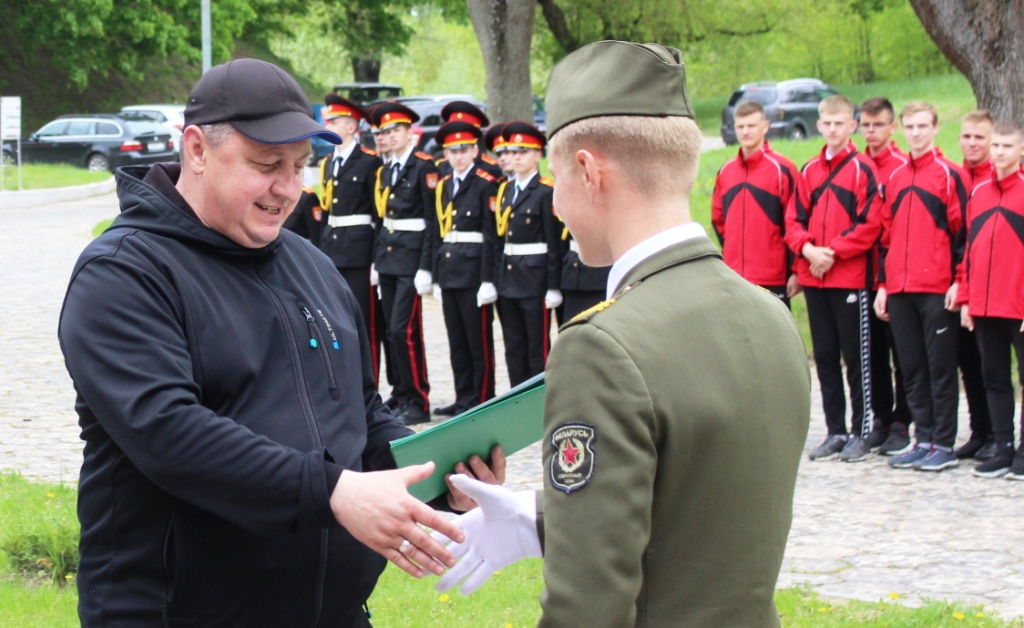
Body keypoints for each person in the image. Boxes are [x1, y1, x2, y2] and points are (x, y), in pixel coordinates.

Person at [57, 58, 503, 627]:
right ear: (196, 149)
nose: (288, 188)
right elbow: (168, 433)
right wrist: (334, 492)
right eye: (267, 164)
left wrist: (441, 474)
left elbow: (360, 413)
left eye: (299, 165)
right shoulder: (124, 273)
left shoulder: (312, 265)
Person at [433, 40, 811, 627]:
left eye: (558, 176)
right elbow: (699, 507)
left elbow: (587, 609)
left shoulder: (602, 347)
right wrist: (538, 518)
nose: (556, 203)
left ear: (588, 172)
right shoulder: (769, 313)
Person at [786, 94, 884, 463]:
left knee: (856, 359)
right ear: (818, 125)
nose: (832, 129)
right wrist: (808, 250)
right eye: (826, 123)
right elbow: (793, 221)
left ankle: (861, 432)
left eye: (839, 123)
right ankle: (836, 430)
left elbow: (870, 224)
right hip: (815, 277)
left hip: (849, 278)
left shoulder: (863, 170)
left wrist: (832, 252)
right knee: (825, 357)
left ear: (852, 126)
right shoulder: (809, 170)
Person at [875, 101, 968, 472]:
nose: (916, 133)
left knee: (940, 368)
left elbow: (963, 235)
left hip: (936, 287)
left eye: (922, 126)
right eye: (910, 126)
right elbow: (886, 235)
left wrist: (959, 281)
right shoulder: (896, 177)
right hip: (899, 288)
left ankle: (943, 444)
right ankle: (923, 439)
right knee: (911, 367)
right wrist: (884, 284)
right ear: (902, 129)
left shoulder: (949, 175)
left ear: (935, 128)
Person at [956, 120, 1024, 478]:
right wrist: (967, 298)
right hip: (985, 305)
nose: (998, 152)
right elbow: (970, 250)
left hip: (1019, 306)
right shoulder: (979, 192)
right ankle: (1003, 447)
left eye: (1006, 146)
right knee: (994, 377)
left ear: (1021, 151)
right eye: (995, 145)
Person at [371, 102, 438, 425]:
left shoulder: (423, 167)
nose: (390, 136)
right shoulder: (386, 170)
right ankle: (400, 393)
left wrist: (426, 266)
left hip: (411, 259)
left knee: (403, 330)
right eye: (385, 132)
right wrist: (377, 259)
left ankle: (418, 398)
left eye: (396, 130)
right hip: (388, 257)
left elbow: (432, 221)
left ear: (410, 132)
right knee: (390, 330)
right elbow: (383, 219)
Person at [317, 93, 388, 387]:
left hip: (360, 251)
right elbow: (326, 212)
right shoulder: (328, 163)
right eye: (328, 121)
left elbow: (379, 214)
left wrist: (376, 258)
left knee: (366, 323)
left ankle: (369, 386)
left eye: (335, 121)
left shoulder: (370, 162)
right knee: (335, 320)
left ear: (351, 127)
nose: (329, 125)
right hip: (333, 249)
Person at [430, 120, 499, 417]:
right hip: (449, 269)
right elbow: (438, 231)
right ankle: (463, 398)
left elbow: (490, 236)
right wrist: (435, 275)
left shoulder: (485, 183)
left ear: (474, 152)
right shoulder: (444, 184)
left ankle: (482, 399)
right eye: (452, 151)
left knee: (477, 342)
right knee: (457, 341)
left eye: (463, 150)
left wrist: (487, 279)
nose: (458, 156)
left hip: (473, 273)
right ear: (446, 154)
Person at [858, 96, 913, 455]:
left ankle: (902, 420)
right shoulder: (856, 166)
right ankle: (879, 417)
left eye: (878, 124)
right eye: (866, 124)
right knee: (872, 353)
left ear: (893, 127)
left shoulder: (901, 167)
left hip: (894, 272)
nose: (872, 131)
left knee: (902, 353)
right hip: (859, 273)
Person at [711, 99, 801, 307]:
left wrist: (796, 271)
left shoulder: (783, 169)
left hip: (773, 276)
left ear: (765, 126)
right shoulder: (726, 171)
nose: (745, 132)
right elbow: (718, 219)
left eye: (751, 126)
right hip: (735, 275)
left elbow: (795, 222)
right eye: (740, 126)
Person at [494, 120, 561, 386]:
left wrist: (553, 286)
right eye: (511, 152)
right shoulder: (506, 190)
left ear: (537, 155)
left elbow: (554, 243)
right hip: (509, 278)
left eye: (522, 152)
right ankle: (516, 399)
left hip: (535, 279)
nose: (515, 157)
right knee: (514, 347)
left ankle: (539, 401)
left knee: (537, 349)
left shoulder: (545, 191)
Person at [954, 109, 997, 461]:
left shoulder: (993, 180)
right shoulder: (956, 176)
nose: (972, 143)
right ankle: (979, 430)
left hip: (990, 288)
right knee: (968, 362)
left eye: (979, 137)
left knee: (990, 365)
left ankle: (998, 434)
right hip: (958, 285)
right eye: (967, 136)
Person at [437, 100, 504, 179]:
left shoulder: (490, 168)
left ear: (475, 135)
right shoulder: (441, 166)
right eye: (453, 130)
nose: (459, 137)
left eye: (465, 131)